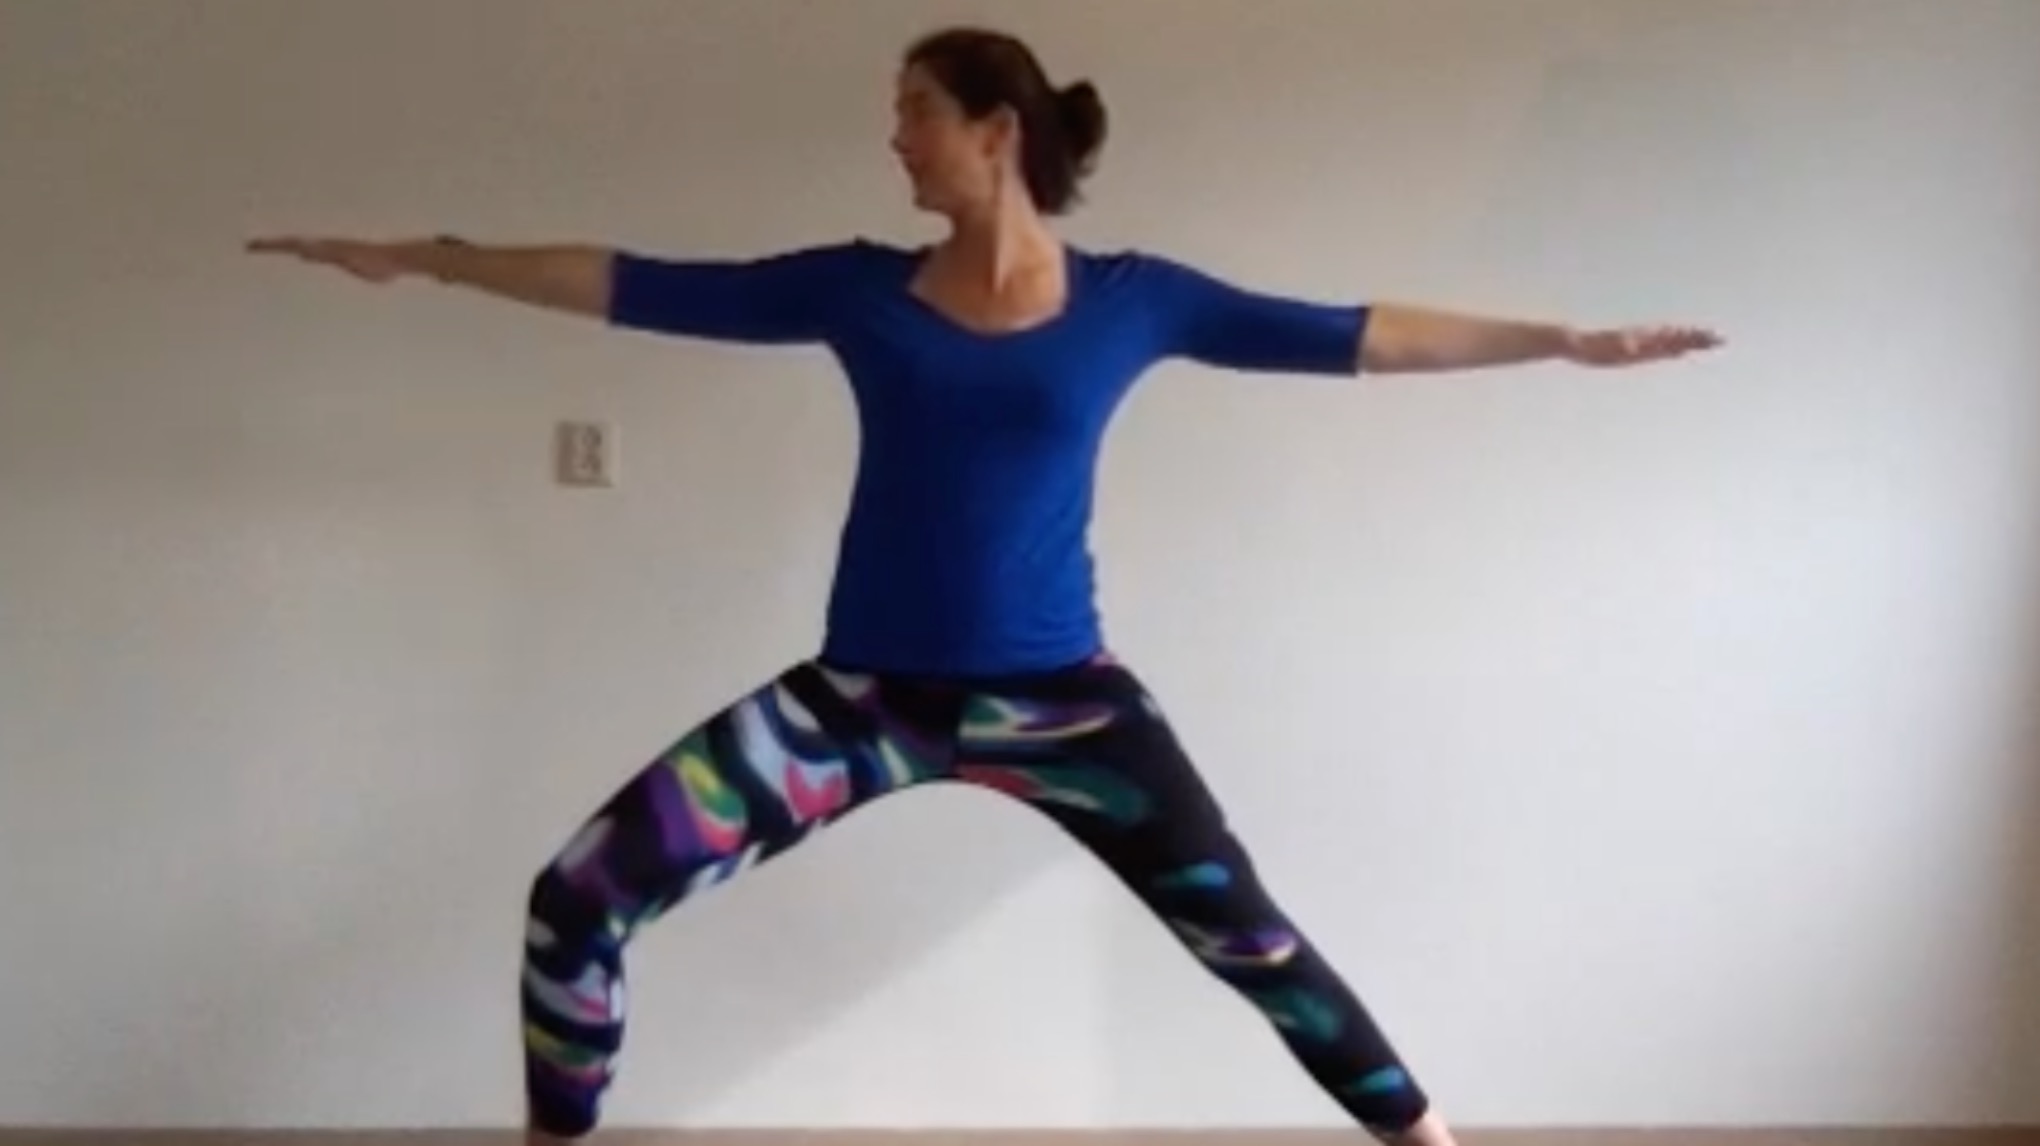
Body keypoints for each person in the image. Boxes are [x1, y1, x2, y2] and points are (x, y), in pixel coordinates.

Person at [249, 24, 1720, 1146]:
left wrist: (1561, 342)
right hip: (861, 704)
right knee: (575, 902)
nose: (893, 139)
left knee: (1254, 942)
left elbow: (1357, 335)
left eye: (914, 111)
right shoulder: (856, 290)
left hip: (1065, 709)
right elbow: (635, 282)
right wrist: (426, 258)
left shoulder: (1137, 302)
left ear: (994, 131)